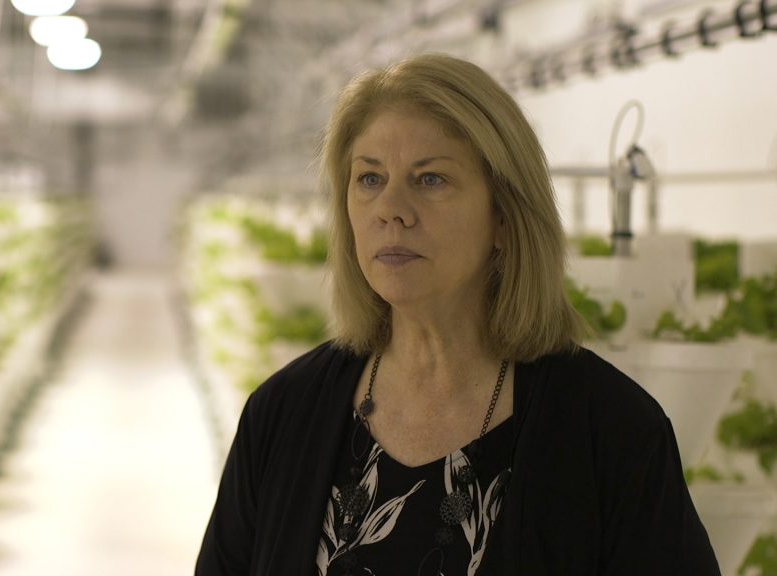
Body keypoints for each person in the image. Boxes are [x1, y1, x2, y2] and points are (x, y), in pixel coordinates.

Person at [195, 53, 719, 576]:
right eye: (370, 179)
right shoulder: (283, 413)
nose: (391, 209)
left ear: (505, 218)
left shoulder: (613, 432)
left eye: (431, 180)